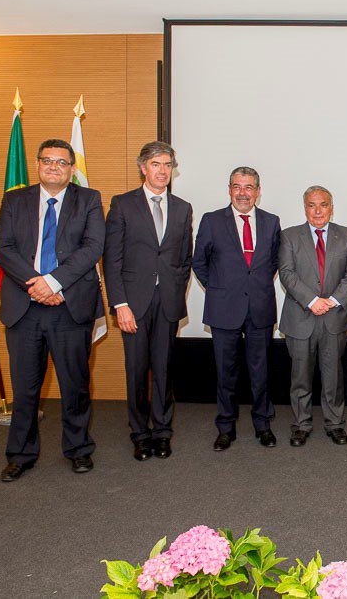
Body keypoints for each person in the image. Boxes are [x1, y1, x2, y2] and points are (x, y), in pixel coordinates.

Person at [0, 139, 105, 481]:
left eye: (61, 162)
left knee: (75, 384)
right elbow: (3, 247)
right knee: (25, 387)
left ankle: (78, 449)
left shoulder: (89, 199)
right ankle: (21, 454)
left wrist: (54, 283)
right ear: (38, 165)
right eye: (47, 161)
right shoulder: (15, 199)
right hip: (24, 307)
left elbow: (92, 247)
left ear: (72, 168)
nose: (53, 166)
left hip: (69, 306)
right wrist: (36, 284)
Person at [103, 141, 193, 461]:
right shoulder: (123, 204)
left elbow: (184, 260)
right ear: (143, 167)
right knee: (137, 371)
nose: (163, 171)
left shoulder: (182, 208)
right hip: (133, 305)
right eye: (156, 164)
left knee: (165, 371)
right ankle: (140, 433)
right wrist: (120, 304)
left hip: (167, 302)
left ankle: (163, 431)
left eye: (168, 165)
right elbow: (111, 260)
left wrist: (176, 290)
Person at [192, 167, 281, 451]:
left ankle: (263, 425)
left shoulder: (271, 221)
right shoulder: (212, 220)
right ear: (229, 189)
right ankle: (226, 427)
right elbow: (199, 262)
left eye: (249, 187)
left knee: (261, 371)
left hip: (260, 307)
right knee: (225, 372)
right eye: (237, 186)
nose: (243, 192)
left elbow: (273, 263)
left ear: (258, 190)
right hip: (223, 308)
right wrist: (219, 289)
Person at [278, 185, 347, 447]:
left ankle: (334, 423)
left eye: (323, 204)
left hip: (334, 318)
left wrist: (331, 301)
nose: (318, 210)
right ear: (305, 208)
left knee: (333, 376)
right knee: (300, 376)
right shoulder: (289, 236)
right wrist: (312, 301)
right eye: (312, 205)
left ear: (331, 207)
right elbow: (287, 273)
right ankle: (301, 424)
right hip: (301, 317)